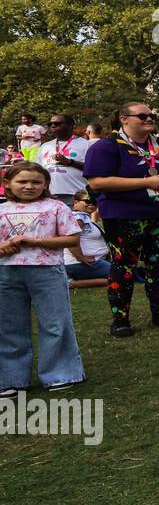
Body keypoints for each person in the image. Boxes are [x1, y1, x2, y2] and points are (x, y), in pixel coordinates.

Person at [82, 102, 159, 337]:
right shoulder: (106, 146)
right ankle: (120, 320)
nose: (149, 118)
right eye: (142, 115)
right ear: (123, 118)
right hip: (125, 216)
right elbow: (97, 182)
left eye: (152, 115)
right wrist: (146, 182)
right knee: (124, 266)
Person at [0, 162, 85, 393]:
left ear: (46, 184)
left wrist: (35, 241)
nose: (29, 186)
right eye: (22, 181)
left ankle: (59, 373)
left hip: (47, 271)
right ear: (7, 184)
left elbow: (71, 239)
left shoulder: (56, 207)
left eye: (36, 182)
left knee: (55, 323)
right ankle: (10, 378)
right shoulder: (1, 209)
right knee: (9, 326)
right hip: (6, 273)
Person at [36, 113, 90, 204]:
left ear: (70, 126)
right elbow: (37, 169)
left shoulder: (86, 144)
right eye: (50, 124)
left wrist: (70, 162)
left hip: (77, 196)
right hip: (50, 195)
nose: (53, 126)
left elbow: (93, 168)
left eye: (57, 123)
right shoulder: (45, 146)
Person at [64, 190, 111, 289]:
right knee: (121, 274)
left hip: (89, 263)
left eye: (94, 202)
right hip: (78, 263)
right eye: (87, 201)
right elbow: (70, 239)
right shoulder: (79, 217)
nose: (91, 204)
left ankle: (70, 281)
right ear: (76, 202)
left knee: (123, 274)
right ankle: (71, 283)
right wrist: (81, 258)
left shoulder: (85, 218)